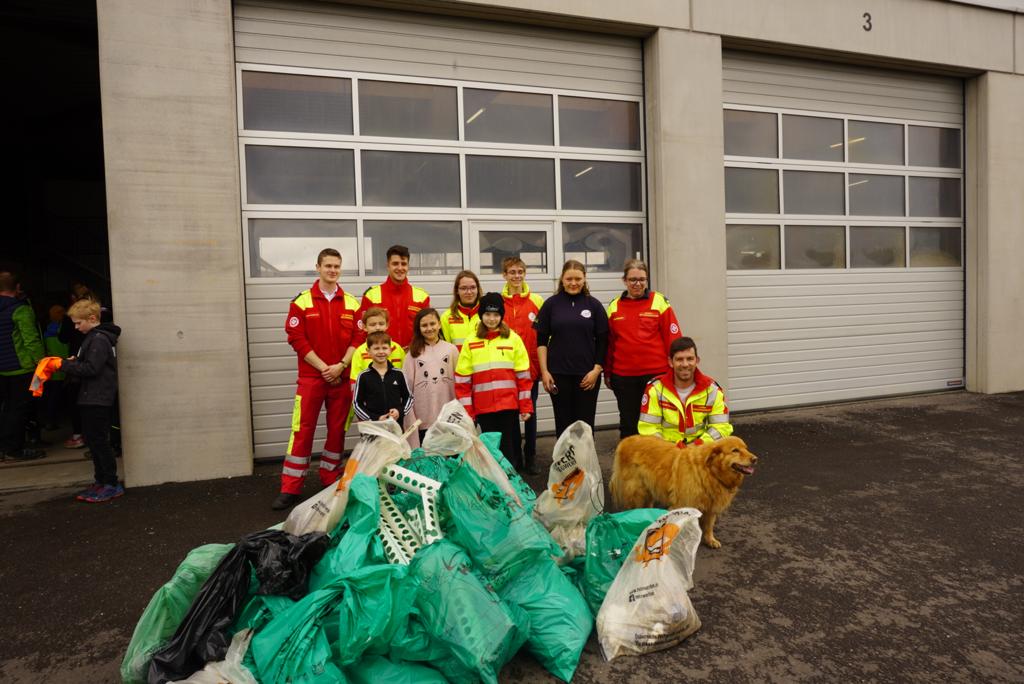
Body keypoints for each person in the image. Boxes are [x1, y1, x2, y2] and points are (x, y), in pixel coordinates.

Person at [273, 248, 360, 511]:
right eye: (328, 266)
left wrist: (341, 366)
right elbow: (296, 339)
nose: (333, 270)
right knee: (302, 431)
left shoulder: (352, 304)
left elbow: (359, 338)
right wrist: (324, 368)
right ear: (318, 268)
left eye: (337, 266)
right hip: (312, 378)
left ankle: (330, 479)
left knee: (337, 431)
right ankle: (290, 487)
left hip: (341, 378)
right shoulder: (301, 303)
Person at [605, 258, 683, 440]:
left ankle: (658, 458)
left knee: (659, 423)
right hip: (624, 377)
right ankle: (630, 458)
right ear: (624, 281)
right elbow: (609, 344)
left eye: (642, 279)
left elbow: (674, 340)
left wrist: (676, 370)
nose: (638, 284)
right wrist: (607, 373)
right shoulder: (614, 306)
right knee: (629, 425)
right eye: (633, 280)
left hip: (657, 376)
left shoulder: (659, 302)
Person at [455, 292, 532, 469]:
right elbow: (462, 381)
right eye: (487, 314)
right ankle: (495, 482)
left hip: (508, 406)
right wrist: (468, 412)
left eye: (496, 314)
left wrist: (525, 406)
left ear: (502, 315)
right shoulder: (471, 341)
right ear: (481, 315)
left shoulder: (513, 339)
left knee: (509, 448)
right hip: (484, 407)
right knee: (490, 450)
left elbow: (523, 376)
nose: (491, 319)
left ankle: (511, 481)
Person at [534, 260, 608, 437]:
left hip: (587, 376)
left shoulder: (594, 305)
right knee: (563, 424)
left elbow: (603, 341)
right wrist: (544, 371)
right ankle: (564, 456)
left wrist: (596, 370)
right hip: (558, 375)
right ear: (562, 279)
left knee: (585, 425)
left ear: (585, 279)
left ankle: (585, 456)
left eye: (578, 279)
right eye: (569, 279)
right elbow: (541, 341)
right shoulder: (551, 304)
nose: (573, 283)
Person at [62, 298, 123, 502]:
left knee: (99, 442)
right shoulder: (94, 338)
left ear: (92, 318)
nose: (76, 327)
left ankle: (110, 483)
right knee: (94, 442)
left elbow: (92, 369)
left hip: (97, 397)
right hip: (92, 396)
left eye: (78, 323)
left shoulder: (98, 339)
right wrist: (75, 362)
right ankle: (101, 481)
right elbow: (90, 365)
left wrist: (65, 365)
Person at [638, 336, 733, 447]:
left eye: (690, 359)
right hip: (666, 450)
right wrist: (670, 450)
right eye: (679, 359)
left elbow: (721, 427)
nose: (685, 364)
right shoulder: (655, 389)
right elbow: (648, 429)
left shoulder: (712, 390)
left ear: (697, 361)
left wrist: (697, 445)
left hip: (700, 449)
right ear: (670, 362)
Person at [500, 256, 544, 474]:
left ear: (525, 274)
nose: (516, 276)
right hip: (506, 369)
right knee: (511, 415)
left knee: (530, 413)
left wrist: (542, 367)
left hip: (531, 369)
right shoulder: (499, 302)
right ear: (504, 275)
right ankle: (515, 456)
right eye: (512, 272)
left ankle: (531, 455)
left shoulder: (537, 301)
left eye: (520, 272)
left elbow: (544, 335)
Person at [0, 271, 46, 461]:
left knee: (7, 408)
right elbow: (31, 340)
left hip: (2, 370)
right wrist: (43, 364)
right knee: (20, 409)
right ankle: (14, 449)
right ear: (18, 287)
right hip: (23, 368)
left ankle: (5, 447)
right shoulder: (21, 310)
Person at [403, 307, 458, 445]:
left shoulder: (451, 350)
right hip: (423, 417)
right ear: (419, 328)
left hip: (448, 417)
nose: (429, 328)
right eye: (424, 325)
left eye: (432, 324)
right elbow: (406, 388)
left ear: (439, 324)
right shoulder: (412, 354)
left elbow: (460, 382)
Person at [359, 244, 430, 349]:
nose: (400, 268)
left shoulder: (422, 296)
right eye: (395, 264)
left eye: (404, 264)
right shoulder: (371, 296)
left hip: (413, 354)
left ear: (408, 266)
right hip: (382, 356)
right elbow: (362, 332)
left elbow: (428, 330)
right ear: (388, 265)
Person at [352, 331, 414, 424]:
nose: (381, 352)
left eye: (384, 348)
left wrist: (399, 411)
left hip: (395, 426)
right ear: (368, 352)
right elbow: (357, 404)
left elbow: (408, 398)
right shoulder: (363, 376)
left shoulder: (399, 374)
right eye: (376, 348)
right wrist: (375, 418)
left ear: (390, 350)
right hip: (374, 427)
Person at [348, 307, 406, 385]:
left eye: (381, 324)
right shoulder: (359, 352)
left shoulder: (397, 349)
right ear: (364, 327)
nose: (377, 328)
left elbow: (405, 377)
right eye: (372, 325)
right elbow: (355, 382)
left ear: (387, 325)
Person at [42, 304, 70, 430]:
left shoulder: (47, 330)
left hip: (52, 367)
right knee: (59, 396)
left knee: (52, 396)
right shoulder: (64, 330)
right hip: (65, 365)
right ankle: (54, 420)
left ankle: (50, 420)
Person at [440, 270, 480, 351]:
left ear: (478, 289)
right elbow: (445, 350)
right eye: (464, 288)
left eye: (473, 287)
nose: (469, 292)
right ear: (457, 291)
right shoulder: (447, 317)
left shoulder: (487, 315)